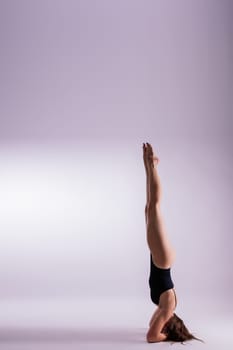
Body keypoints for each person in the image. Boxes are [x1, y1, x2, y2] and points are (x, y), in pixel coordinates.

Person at [143, 142, 203, 344]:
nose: (161, 326)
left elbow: (151, 328)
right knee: (155, 208)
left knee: (149, 208)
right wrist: (166, 336)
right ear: (171, 325)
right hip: (163, 260)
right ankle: (153, 165)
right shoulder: (168, 308)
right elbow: (153, 337)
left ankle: (148, 167)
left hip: (160, 259)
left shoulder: (164, 310)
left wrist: (165, 331)